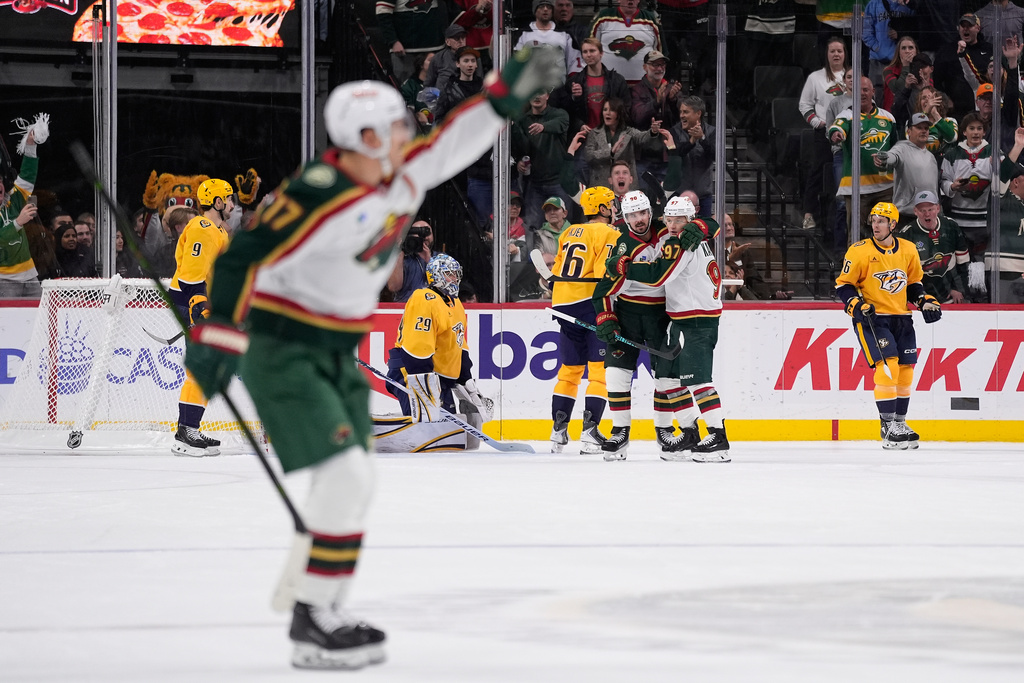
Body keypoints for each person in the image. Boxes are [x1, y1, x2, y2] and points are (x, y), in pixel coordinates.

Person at [182, 54, 562, 669]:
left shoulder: (401, 170)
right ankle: (313, 618)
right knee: (348, 478)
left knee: (354, 480)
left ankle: (319, 606)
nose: (410, 136)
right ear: (364, 139)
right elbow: (241, 257)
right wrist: (220, 334)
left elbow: (453, 141)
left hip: (334, 350)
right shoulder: (316, 194)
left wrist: (501, 97)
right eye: (397, 127)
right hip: (285, 350)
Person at [613, 195, 729, 462]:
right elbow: (711, 224)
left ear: (690, 220)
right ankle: (690, 432)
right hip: (680, 321)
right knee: (666, 379)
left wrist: (626, 268)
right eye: (670, 219)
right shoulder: (693, 237)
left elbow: (658, 277)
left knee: (699, 381)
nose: (674, 225)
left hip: (697, 321)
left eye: (680, 220)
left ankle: (718, 438)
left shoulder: (684, 243)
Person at [593, 191, 704, 460]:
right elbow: (602, 291)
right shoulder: (622, 246)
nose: (638, 219)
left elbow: (709, 225)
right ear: (625, 217)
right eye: (632, 215)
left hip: (662, 316)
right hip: (628, 315)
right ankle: (620, 432)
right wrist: (606, 317)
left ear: (650, 213)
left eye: (642, 213)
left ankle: (666, 432)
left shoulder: (669, 229)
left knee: (667, 379)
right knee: (616, 375)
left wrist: (699, 226)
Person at [835, 201, 942, 450]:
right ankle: (887, 425)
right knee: (887, 367)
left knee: (906, 370)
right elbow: (844, 285)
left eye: (881, 221)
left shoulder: (907, 249)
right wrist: (856, 305)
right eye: (873, 220)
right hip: (873, 319)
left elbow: (914, 283)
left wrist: (923, 301)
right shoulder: (859, 251)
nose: (875, 225)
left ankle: (900, 423)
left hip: (901, 317)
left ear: (893, 224)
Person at [546, 186, 620, 454]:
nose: (614, 208)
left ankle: (558, 432)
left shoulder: (569, 231)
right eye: (610, 204)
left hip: (562, 303)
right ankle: (590, 432)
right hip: (589, 304)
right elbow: (603, 271)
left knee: (570, 370)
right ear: (601, 209)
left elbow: (556, 268)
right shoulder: (609, 233)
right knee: (598, 372)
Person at [168, 178, 235, 457]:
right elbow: (191, 273)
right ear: (217, 202)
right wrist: (198, 306)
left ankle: (188, 428)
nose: (232, 204)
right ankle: (186, 433)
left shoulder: (218, 230)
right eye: (229, 199)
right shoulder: (202, 228)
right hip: (192, 303)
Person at [386, 253, 490, 423]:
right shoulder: (424, 299)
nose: (454, 279)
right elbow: (418, 349)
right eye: (449, 274)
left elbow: (459, 345)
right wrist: (425, 386)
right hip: (413, 374)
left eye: (456, 274)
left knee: (447, 433)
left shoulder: (455, 303)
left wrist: (467, 381)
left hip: (438, 380)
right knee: (427, 427)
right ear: (436, 275)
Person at [829, 76, 896, 239]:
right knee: (857, 234)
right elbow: (837, 128)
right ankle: (855, 264)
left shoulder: (888, 118)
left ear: (873, 92)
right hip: (856, 187)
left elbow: (896, 148)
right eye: (858, 90)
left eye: (866, 89)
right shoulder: (846, 115)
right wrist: (836, 134)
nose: (862, 93)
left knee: (886, 232)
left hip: (885, 187)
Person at [799, 36, 848, 230]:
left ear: (845, 54)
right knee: (817, 171)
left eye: (840, 51)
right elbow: (804, 104)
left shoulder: (851, 77)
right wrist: (818, 123)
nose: (836, 54)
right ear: (826, 54)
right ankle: (809, 214)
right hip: (824, 133)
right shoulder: (816, 78)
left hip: (848, 134)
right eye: (832, 51)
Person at [899, 190, 970, 304]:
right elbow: (902, 272)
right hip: (921, 296)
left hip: (951, 295)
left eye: (930, 209)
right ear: (915, 211)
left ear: (938, 208)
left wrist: (959, 289)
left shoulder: (951, 226)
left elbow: (963, 263)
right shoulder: (906, 235)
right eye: (922, 210)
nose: (927, 214)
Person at [873, 113, 942, 219]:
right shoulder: (901, 148)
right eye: (919, 128)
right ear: (908, 131)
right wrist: (884, 158)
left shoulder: (931, 156)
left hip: (929, 216)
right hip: (906, 214)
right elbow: (892, 156)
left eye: (926, 128)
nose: (923, 131)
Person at [0, 129, 42, 298]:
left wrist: (30, 145)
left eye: (0, 181)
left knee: (39, 320)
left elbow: (27, 177)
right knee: (8, 324)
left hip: (30, 275)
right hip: (4, 280)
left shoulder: (13, 199)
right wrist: (18, 222)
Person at [558, 37, 629, 135]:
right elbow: (565, 111)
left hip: (611, 134)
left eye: (592, 51)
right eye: (585, 52)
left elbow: (627, 107)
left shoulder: (617, 80)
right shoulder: (574, 81)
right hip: (585, 135)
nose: (589, 55)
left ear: (601, 53)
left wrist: (616, 126)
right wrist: (579, 124)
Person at [986, 127, 1024, 303]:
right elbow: (1001, 177)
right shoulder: (1001, 198)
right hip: (1002, 272)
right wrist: (1017, 147)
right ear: (1015, 181)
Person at [590, 0, 662, 85]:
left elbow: (660, 54)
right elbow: (589, 49)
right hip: (608, 85)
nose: (630, 1)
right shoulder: (603, 17)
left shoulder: (650, 19)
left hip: (644, 87)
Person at [375, 0, 446, 84]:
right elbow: (382, 12)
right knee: (406, 88)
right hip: (405, 50)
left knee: (437, 89)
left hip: (435, 46)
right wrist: (393, 41)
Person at [668, 95, 715, 218]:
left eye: (686, 112)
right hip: (680, 194)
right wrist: (692, 141)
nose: (681, 115)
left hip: (703, 195)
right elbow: (677, 154)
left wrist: (703, 138)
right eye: (681, 112)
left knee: (704, 231)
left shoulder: (712, 132)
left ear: (698, 113)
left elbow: (716, 155)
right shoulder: (674, 131)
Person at [514, 0, 582, 82]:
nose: (545, 9)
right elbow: (517, 63)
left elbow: (574, 62)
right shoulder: (524, 34)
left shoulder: (564, 34)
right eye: (541, 7)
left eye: (549, 7)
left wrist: (572, 83)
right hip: (531, 88)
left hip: (558, 90)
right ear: (535, 11)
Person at [387, 220, 433, 303]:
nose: (424, 238)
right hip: (406, 307)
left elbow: (445, 287)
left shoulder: (440, 258)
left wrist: (429, 262)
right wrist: (398, 252)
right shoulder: (403, 260)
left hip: (431, 307)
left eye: (427, 233)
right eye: (418, 234)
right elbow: (394, 287)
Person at [424, 24, 467, 94]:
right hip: (443, 100)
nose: (461, 41)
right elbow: (429, 83)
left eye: (463, 37)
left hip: (466, 100)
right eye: (457, 38)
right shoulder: (437, 58)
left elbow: (480, 83)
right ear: (447, 42)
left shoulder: (474, 58)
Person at [883, 36, 918, 112]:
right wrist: (906, 66)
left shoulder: (923, 70)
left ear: (916, 51)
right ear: (898, 52)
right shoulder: (888, 70)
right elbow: (897, 90)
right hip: (895, 111)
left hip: (916, 112)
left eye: (911, 48)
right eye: (903, 48)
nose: (907, 51)